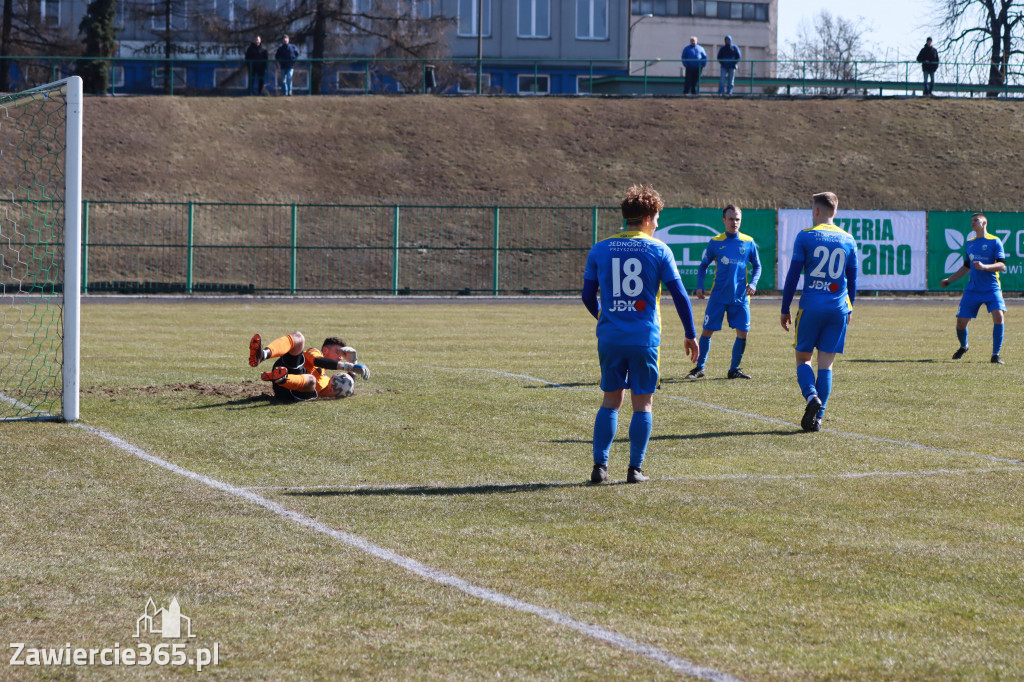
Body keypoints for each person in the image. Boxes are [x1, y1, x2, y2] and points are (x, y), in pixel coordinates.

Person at [582, 184, 699, 484]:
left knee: (610, 401)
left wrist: (606, 317)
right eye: (657, 216)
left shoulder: (600, 248)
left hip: (610, 337)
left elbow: (586, 296)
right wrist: (690, 333)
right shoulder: (659, 249)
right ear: (647, 217)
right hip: (644, 338)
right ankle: (635, 470)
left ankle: (600, 467)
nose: (658, 223)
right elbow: (680, 295)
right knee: (642, 404)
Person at [780, 192, 858, 432]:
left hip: (811, 307)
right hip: (838, 309)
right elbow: (852, 279)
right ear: (834, 212)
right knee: (826, 366)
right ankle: (818, 418)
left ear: (816, 211)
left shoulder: (806, 237)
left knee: (803, 360)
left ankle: (811, 397)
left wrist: (785, 309)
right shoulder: (848, 239)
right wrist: (850, 307)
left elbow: (793, 276)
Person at [686, 204, 761, 380]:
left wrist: (754, 283)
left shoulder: (748, 242)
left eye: (737, 219)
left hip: (740, 297)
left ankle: (734, 369)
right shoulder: (715, 242)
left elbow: (757, 265)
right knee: (707, 331)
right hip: (718, 296)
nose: (734, 222)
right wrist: (699, 285)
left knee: (743, 332)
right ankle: (699, 368)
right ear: (723, 220)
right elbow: (703, 265)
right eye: (731, 219)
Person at [940, 213, 1007, 364]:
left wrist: (985, 267)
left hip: (992, 288)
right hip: (973, 290)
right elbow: (966, 267)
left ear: (984, 223)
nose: (973, 222)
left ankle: (995, 355)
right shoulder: (969, 243)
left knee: (999, 317)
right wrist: (949, 280)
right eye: (971, 221)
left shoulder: (995, 241)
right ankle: (964, 346)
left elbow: (1002, 265)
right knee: (961, 323)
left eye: (976, 220)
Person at [248, 331, 370, 401]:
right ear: (325, 350)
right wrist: (348, 366)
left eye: (342, 355)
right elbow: (319, 361)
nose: (340, 357)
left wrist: (353, 362)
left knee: (311, 379)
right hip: (290, 368)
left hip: (293, 393)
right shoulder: (315, 352)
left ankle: (281, 378)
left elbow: (348, 388)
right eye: (338, 352)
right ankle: (262, 355)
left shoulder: (328, 379)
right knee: (299, 337)